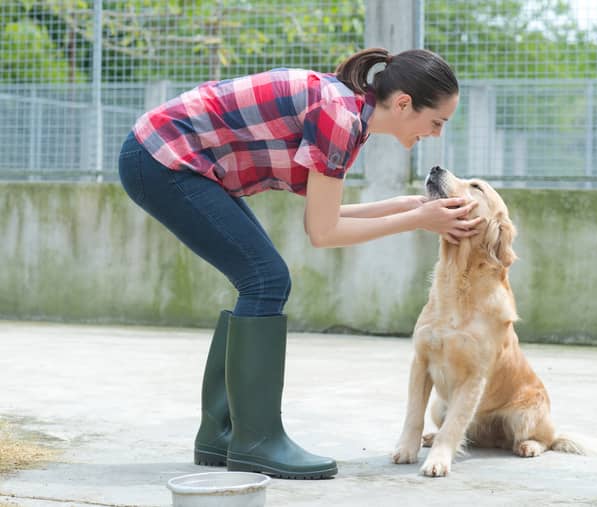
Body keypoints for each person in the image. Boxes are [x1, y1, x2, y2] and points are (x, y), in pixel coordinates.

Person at [117, 47, 482, 480]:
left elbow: (322, 217)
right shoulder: (339, 118)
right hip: (163, 159)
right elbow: (323, 234)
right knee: (265, 279)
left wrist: (407, 208)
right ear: (403, 103)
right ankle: (256, 441)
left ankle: (222, 434)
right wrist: (416, 219)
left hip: (173, 159)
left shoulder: (348, 115)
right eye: (436, 122)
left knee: (261, 277)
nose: (436, 135)